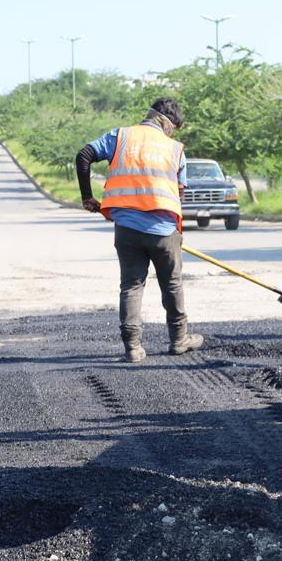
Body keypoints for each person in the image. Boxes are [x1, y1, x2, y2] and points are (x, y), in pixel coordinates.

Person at [77, 98, 203, 364]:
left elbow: (84, 155)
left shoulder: (121, 136)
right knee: (172, 284)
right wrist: (174, 235)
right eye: (175, 128)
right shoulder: (176, 149)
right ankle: (179, 339)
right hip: (163, 230)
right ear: (170, 124)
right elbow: (179, 194)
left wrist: (87, 197)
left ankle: (132, 348)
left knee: (132, 285)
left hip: (127, 229)